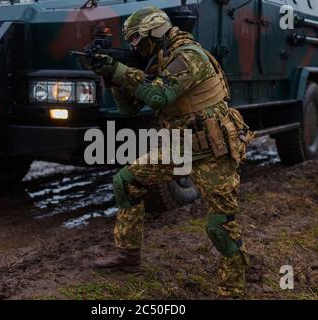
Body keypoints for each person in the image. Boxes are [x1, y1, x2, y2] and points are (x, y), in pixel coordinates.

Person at [87, 6, 255, 298]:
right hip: (179, 146)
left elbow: (159, 94)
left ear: (154, 31)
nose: (134, 47)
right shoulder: (161, 59)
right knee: (126, 182)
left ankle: (232, 290)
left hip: (213, 150)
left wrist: (120, 70)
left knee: (220, 227)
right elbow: (129, 108)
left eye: (136, 40)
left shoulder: (188, 55)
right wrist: (112, 78)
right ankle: (128, 254)